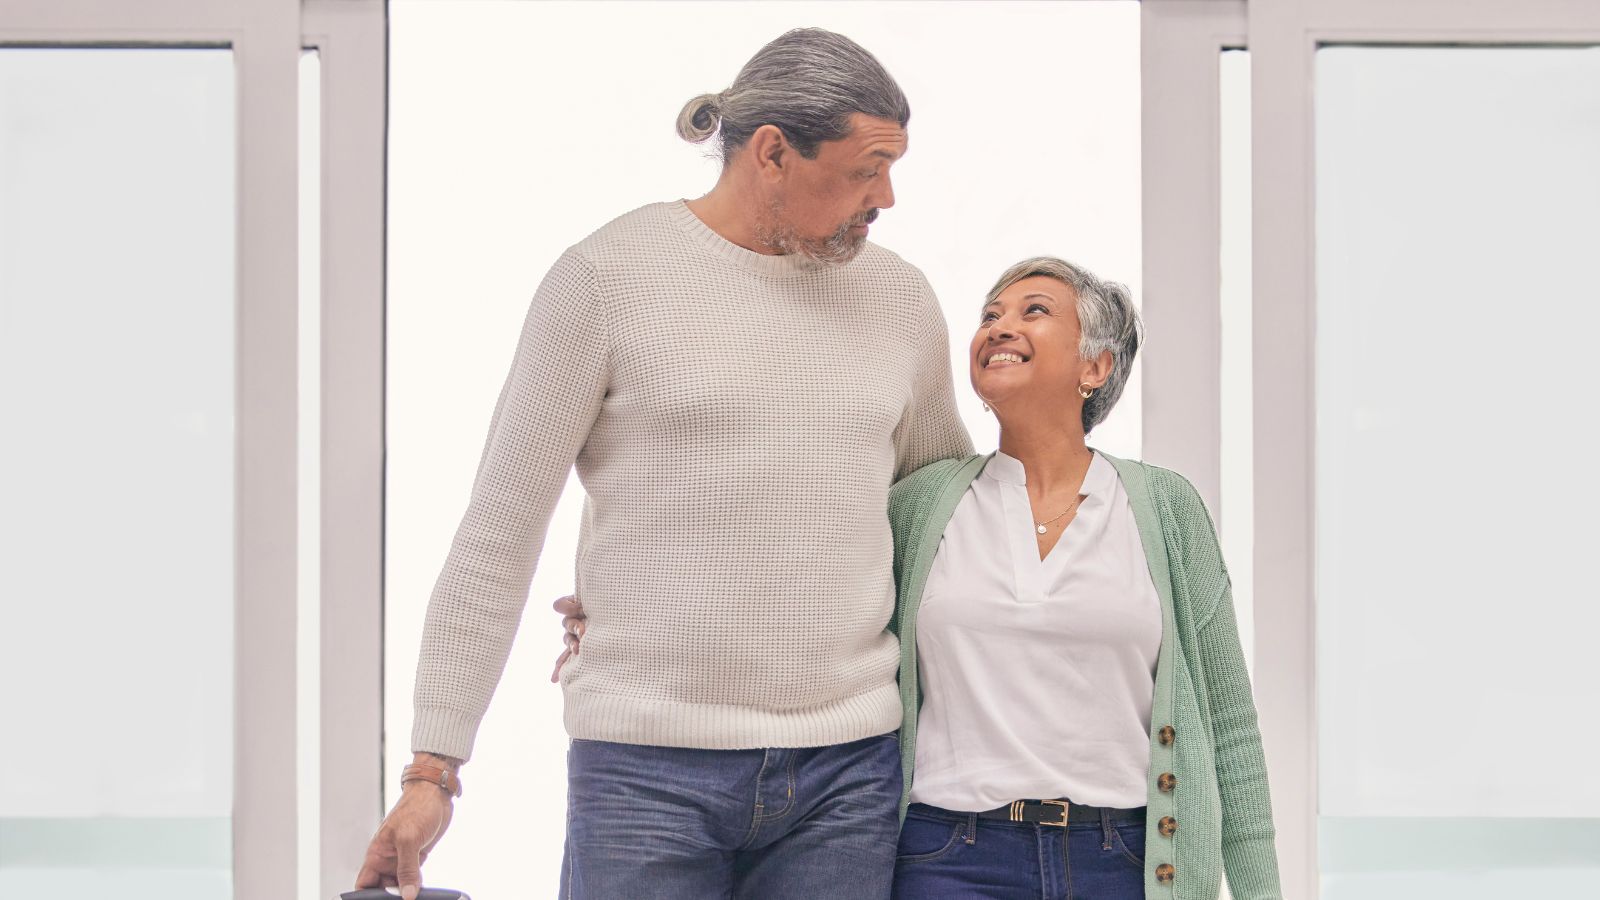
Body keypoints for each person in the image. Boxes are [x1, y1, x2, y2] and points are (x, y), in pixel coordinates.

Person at [354, 27, 971, 900]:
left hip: (847, 777)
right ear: (772, 153)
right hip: (644, 774)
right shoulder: (607, 279)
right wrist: (432, 774)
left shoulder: (900, 300)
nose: (889, 197)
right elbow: (498, 533)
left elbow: (945, 527)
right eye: (867, 168)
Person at [560, 257, 1284, 899]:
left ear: (1095, 367)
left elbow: (1227, 725)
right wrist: (620, 602)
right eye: (989, 316)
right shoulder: (923, 504)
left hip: (1124, 859)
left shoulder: (1164, 509)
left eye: (1034, 311)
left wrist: (1260, 890)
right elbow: (798, 564)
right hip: (949, 856)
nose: (999, 327)